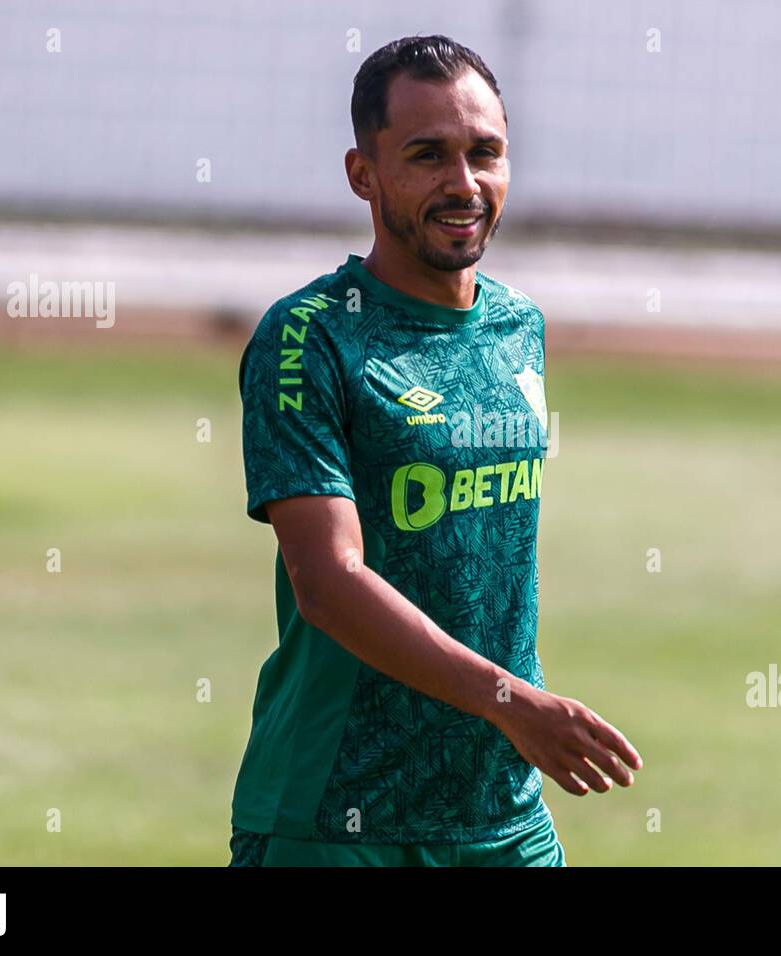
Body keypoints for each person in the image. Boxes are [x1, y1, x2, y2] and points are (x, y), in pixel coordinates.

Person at [229, 34, 641, 867]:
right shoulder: (308, 338)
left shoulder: (519, 327)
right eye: (428, 156)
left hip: (501, 813)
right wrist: (512, 702)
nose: (464, 185)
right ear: (363, 174)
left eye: (484, 153)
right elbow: (329, 584)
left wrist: (509, 719)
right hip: (339, 818)